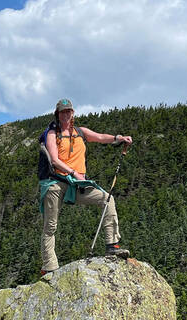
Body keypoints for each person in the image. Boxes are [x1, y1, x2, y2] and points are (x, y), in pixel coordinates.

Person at [40, 98, 133, 275]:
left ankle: (112, 245)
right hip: (56, 182)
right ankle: (49, 266)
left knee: (107, 199)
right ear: (57, 114)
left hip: (77, 184)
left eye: (68, 111)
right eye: (62, 112)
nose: (66, 115)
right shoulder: (52, 133)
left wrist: (118, 138)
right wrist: (73, 172)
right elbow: (54, 160)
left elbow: (99, 137)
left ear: (73, 113)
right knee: (50, 226)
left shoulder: (80, 132)